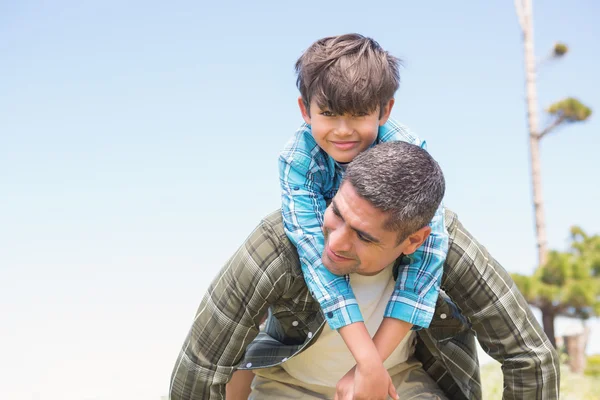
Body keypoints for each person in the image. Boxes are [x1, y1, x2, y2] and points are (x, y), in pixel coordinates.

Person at [170, 142, 560, 400]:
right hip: (288, 387)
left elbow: (530, 357)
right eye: (336, 213)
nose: (336, 242)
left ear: (413, 241)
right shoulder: (278, 241)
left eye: (363, 237)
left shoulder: (446, 247)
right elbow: (200, 366)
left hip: (402, 385)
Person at [279, 33, 448, 399]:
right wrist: (368, 362)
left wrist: (369, 366)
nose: (342, 130)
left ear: (384, 111)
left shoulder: (408, 153)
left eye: (358, 115)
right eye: (328, 114)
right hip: (318, 298)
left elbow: (424, 268)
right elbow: (316, 258)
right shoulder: (299, 161)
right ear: (305, 109)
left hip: (383, 274)